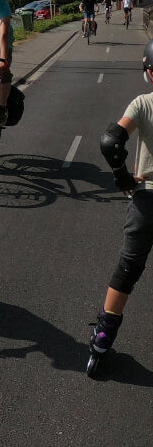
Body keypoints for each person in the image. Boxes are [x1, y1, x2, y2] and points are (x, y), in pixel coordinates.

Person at [89, 39, 153, 365]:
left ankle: (102, 339)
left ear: (148, 72)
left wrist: (123, 177)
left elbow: (111, 140)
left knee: (127, 271)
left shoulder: (143, 103)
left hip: (146, 204)